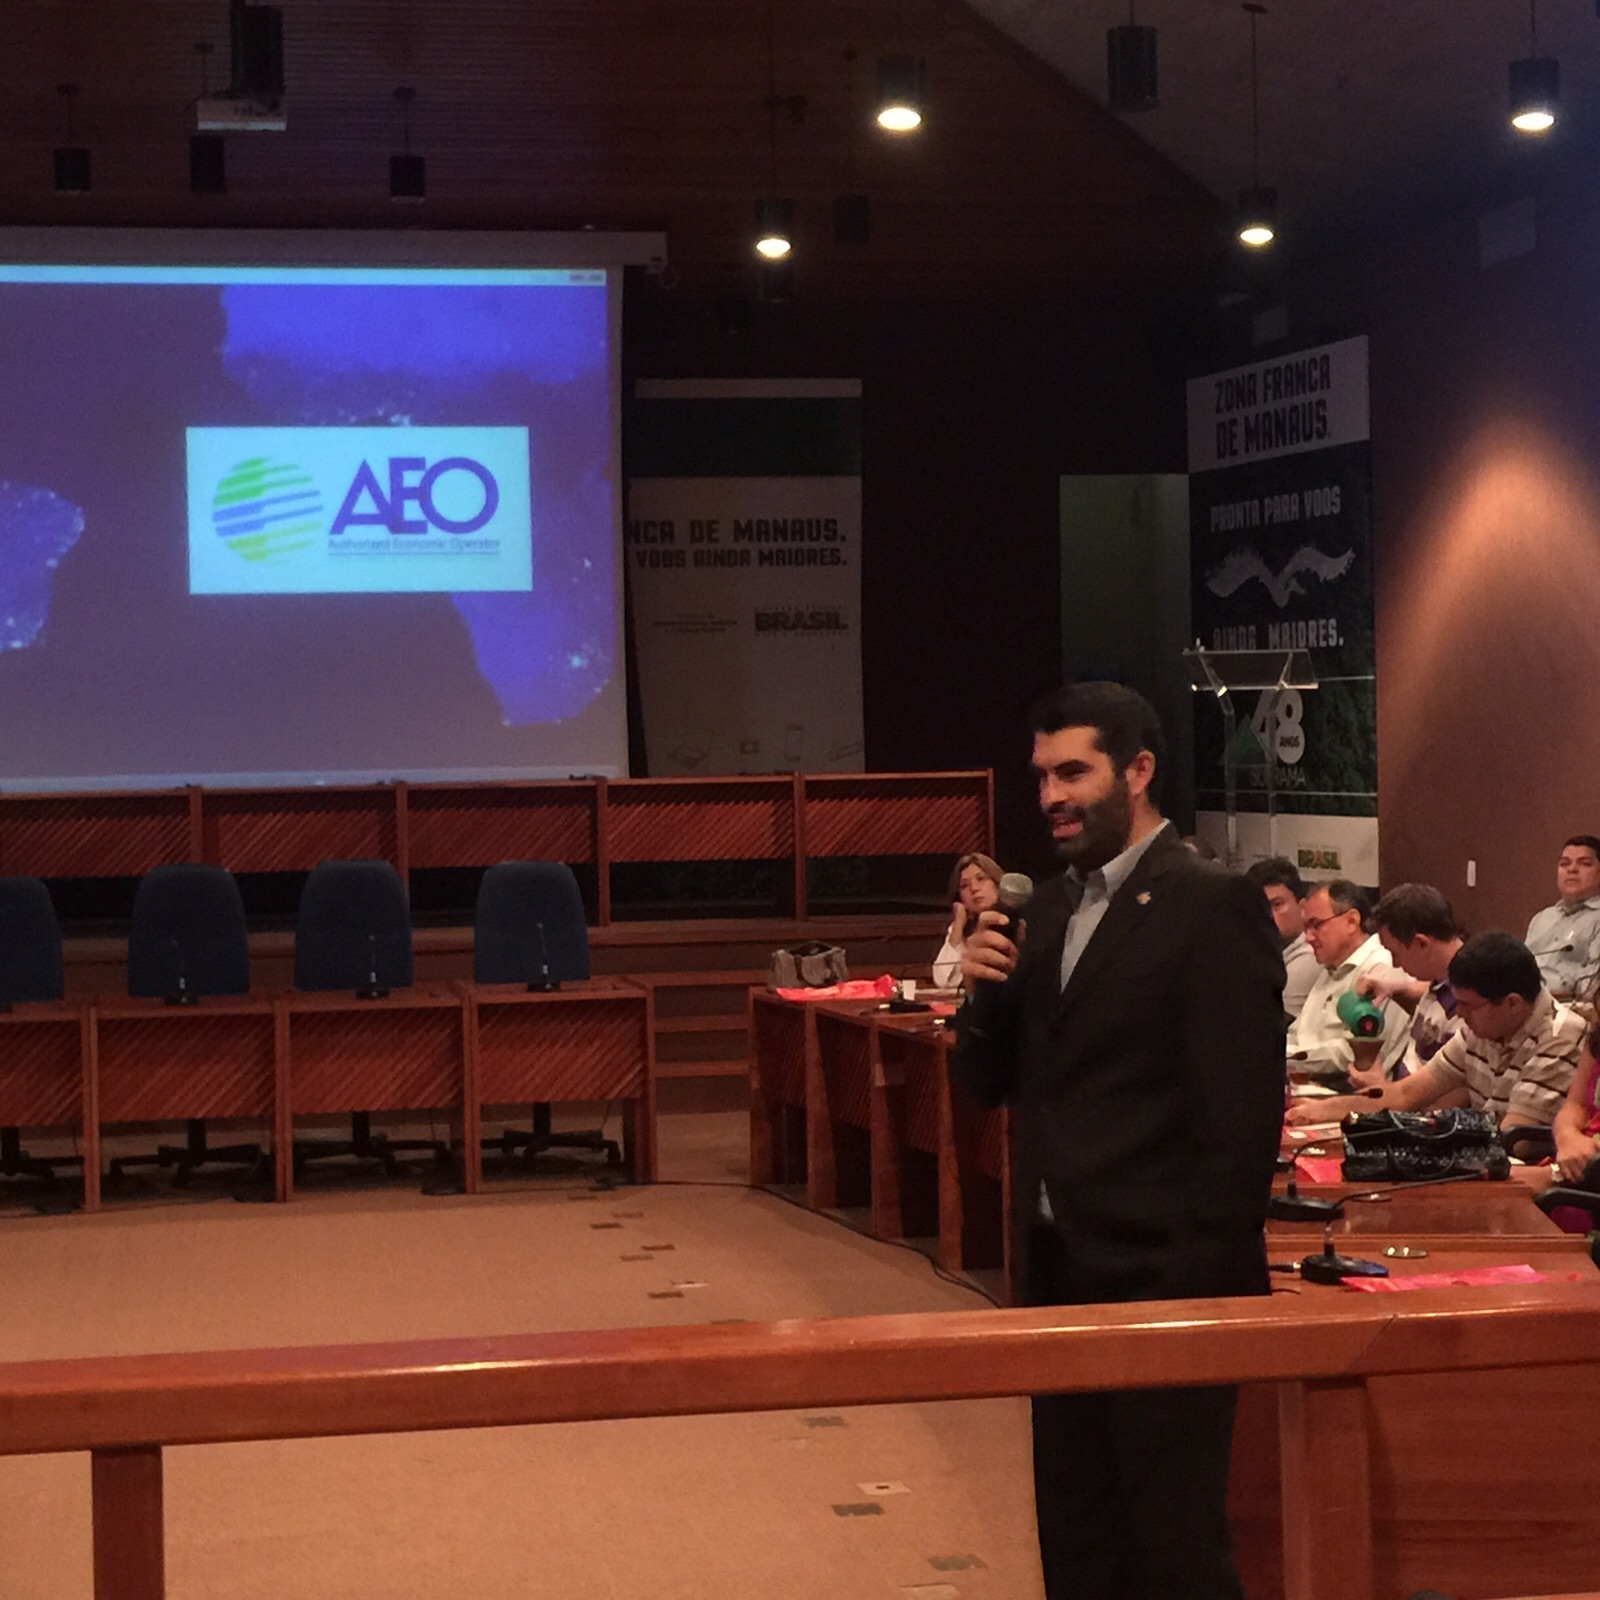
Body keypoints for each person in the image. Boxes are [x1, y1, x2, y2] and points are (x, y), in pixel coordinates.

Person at [950, 681, 1284, 1600]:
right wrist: (978, 995)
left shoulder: (1210, 902)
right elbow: (987, 1086)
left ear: (1137, 771)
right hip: (1059, 1271)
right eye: (1041, 777)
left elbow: (1240, 1119)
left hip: (1169, 1282)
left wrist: (1204, 1297)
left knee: (1173, 1548)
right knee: (1077, 1532)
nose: (1051, 796)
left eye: (1073, 773)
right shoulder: (1046, 908)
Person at [1287, 930, 1583, 1130]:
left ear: (1512, 1004)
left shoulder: (1560, 1037)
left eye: (1467, 1006)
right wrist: (1326, 1109)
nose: (1459, 1014)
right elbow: (1406, 1094)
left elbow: (1514, 1137)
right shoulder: (1482, 1028)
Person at [1285, 879, 1410, 1075]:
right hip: (1304, 1078)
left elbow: (1358, 1055)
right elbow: (1297, 1033)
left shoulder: (1383, 968)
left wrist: (1282, 1058)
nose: (1308, 937)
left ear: (1351, 921)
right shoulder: (1332, 965)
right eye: (1306, 928)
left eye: (1316, 925)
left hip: (1347, 1087)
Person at [1355, 882, 1464, 1086]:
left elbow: (1444, 1099)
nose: (1395, 964)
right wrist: (1395, 989)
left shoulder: (1466, 1005)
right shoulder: (1440, 980)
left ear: (1421, 943)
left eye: (1395, 953)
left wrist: (1380, 1088)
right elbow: (1430, 996)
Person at [1524, 835, 1600, 999]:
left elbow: (1592, 986)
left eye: (1585, 863)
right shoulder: (1542, 918)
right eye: (1565, 863)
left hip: (1570, 1007)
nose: (1572, 869)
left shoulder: (1597, 919)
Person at [1244, 856, 1318, 1021]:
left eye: (1277, 905)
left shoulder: (1311, 955)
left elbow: (1270, 1025)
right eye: (1260, 906)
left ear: (1302, 906)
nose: (1268, 914)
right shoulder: (1257, 951)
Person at [931, 852, 1003, 989]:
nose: (974, 888)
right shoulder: (961, 929)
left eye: (981, 879)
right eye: (964, 885)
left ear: (997, 883)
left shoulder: (1015, 920)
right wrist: (958, 925)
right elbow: (942, 981)